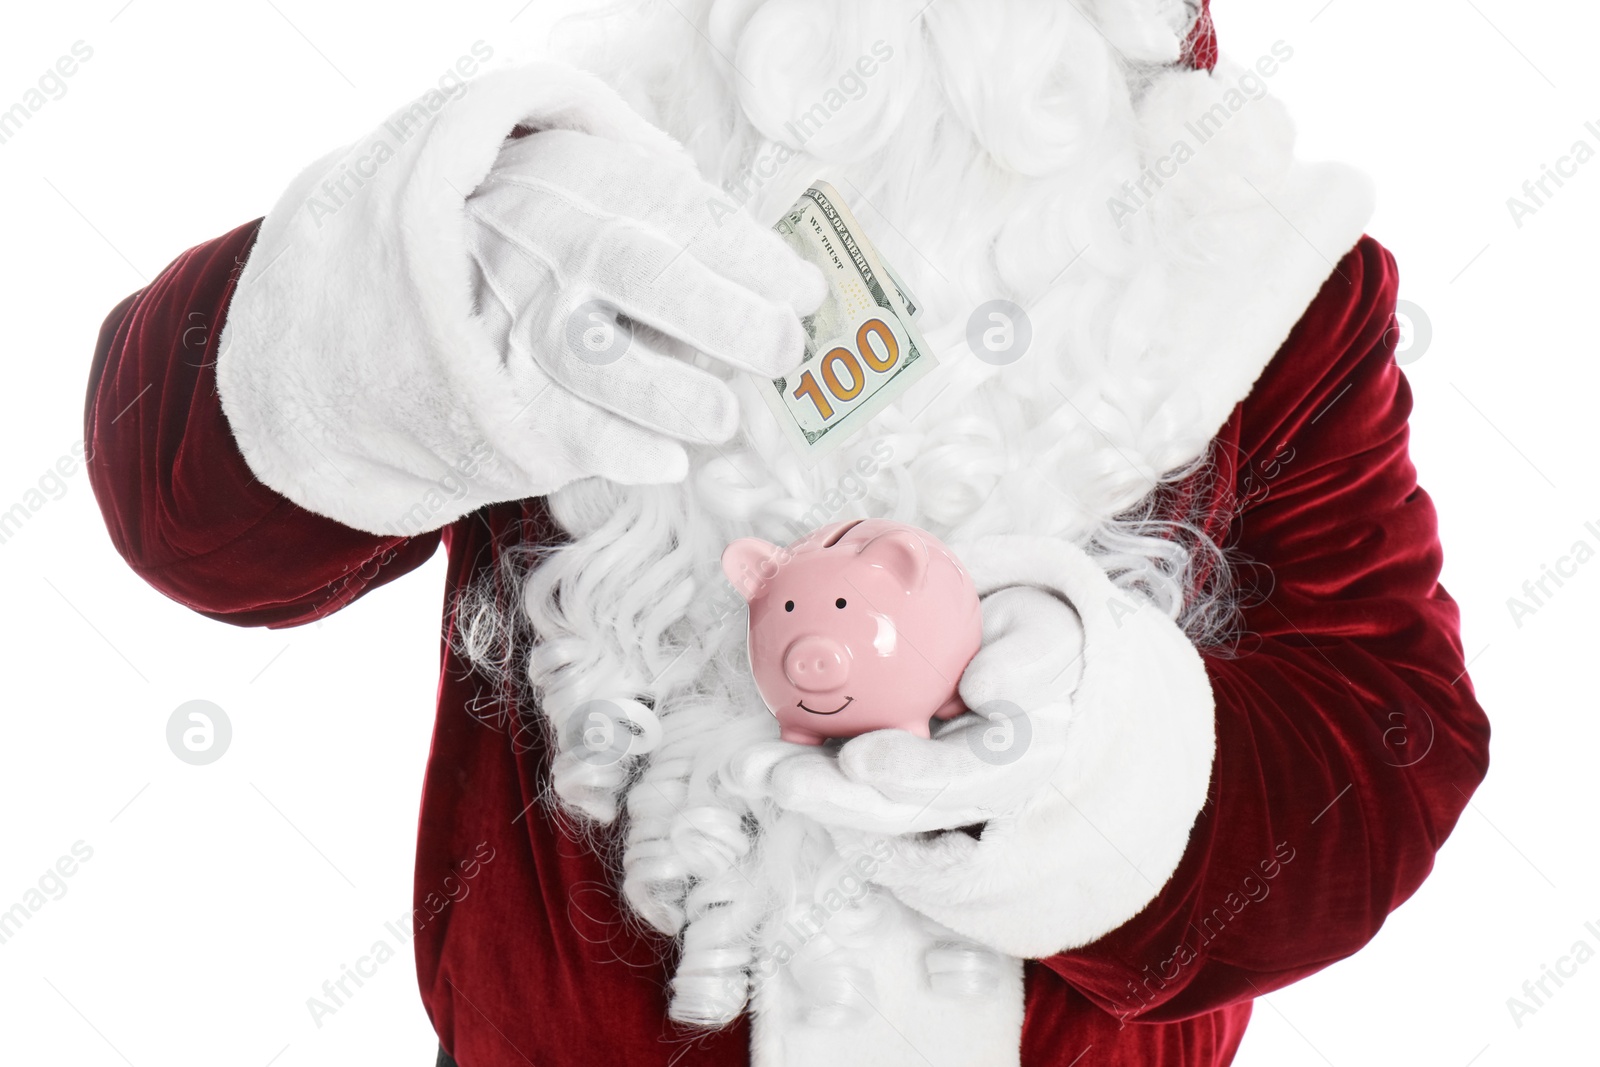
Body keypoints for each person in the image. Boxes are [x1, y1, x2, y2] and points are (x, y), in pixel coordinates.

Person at [84, 1, 1490, 1064]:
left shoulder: (1262, 268)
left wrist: (1078, 752)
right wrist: (426, 302)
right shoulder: (580, 167)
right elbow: (186, 518)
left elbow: (1389, 742)